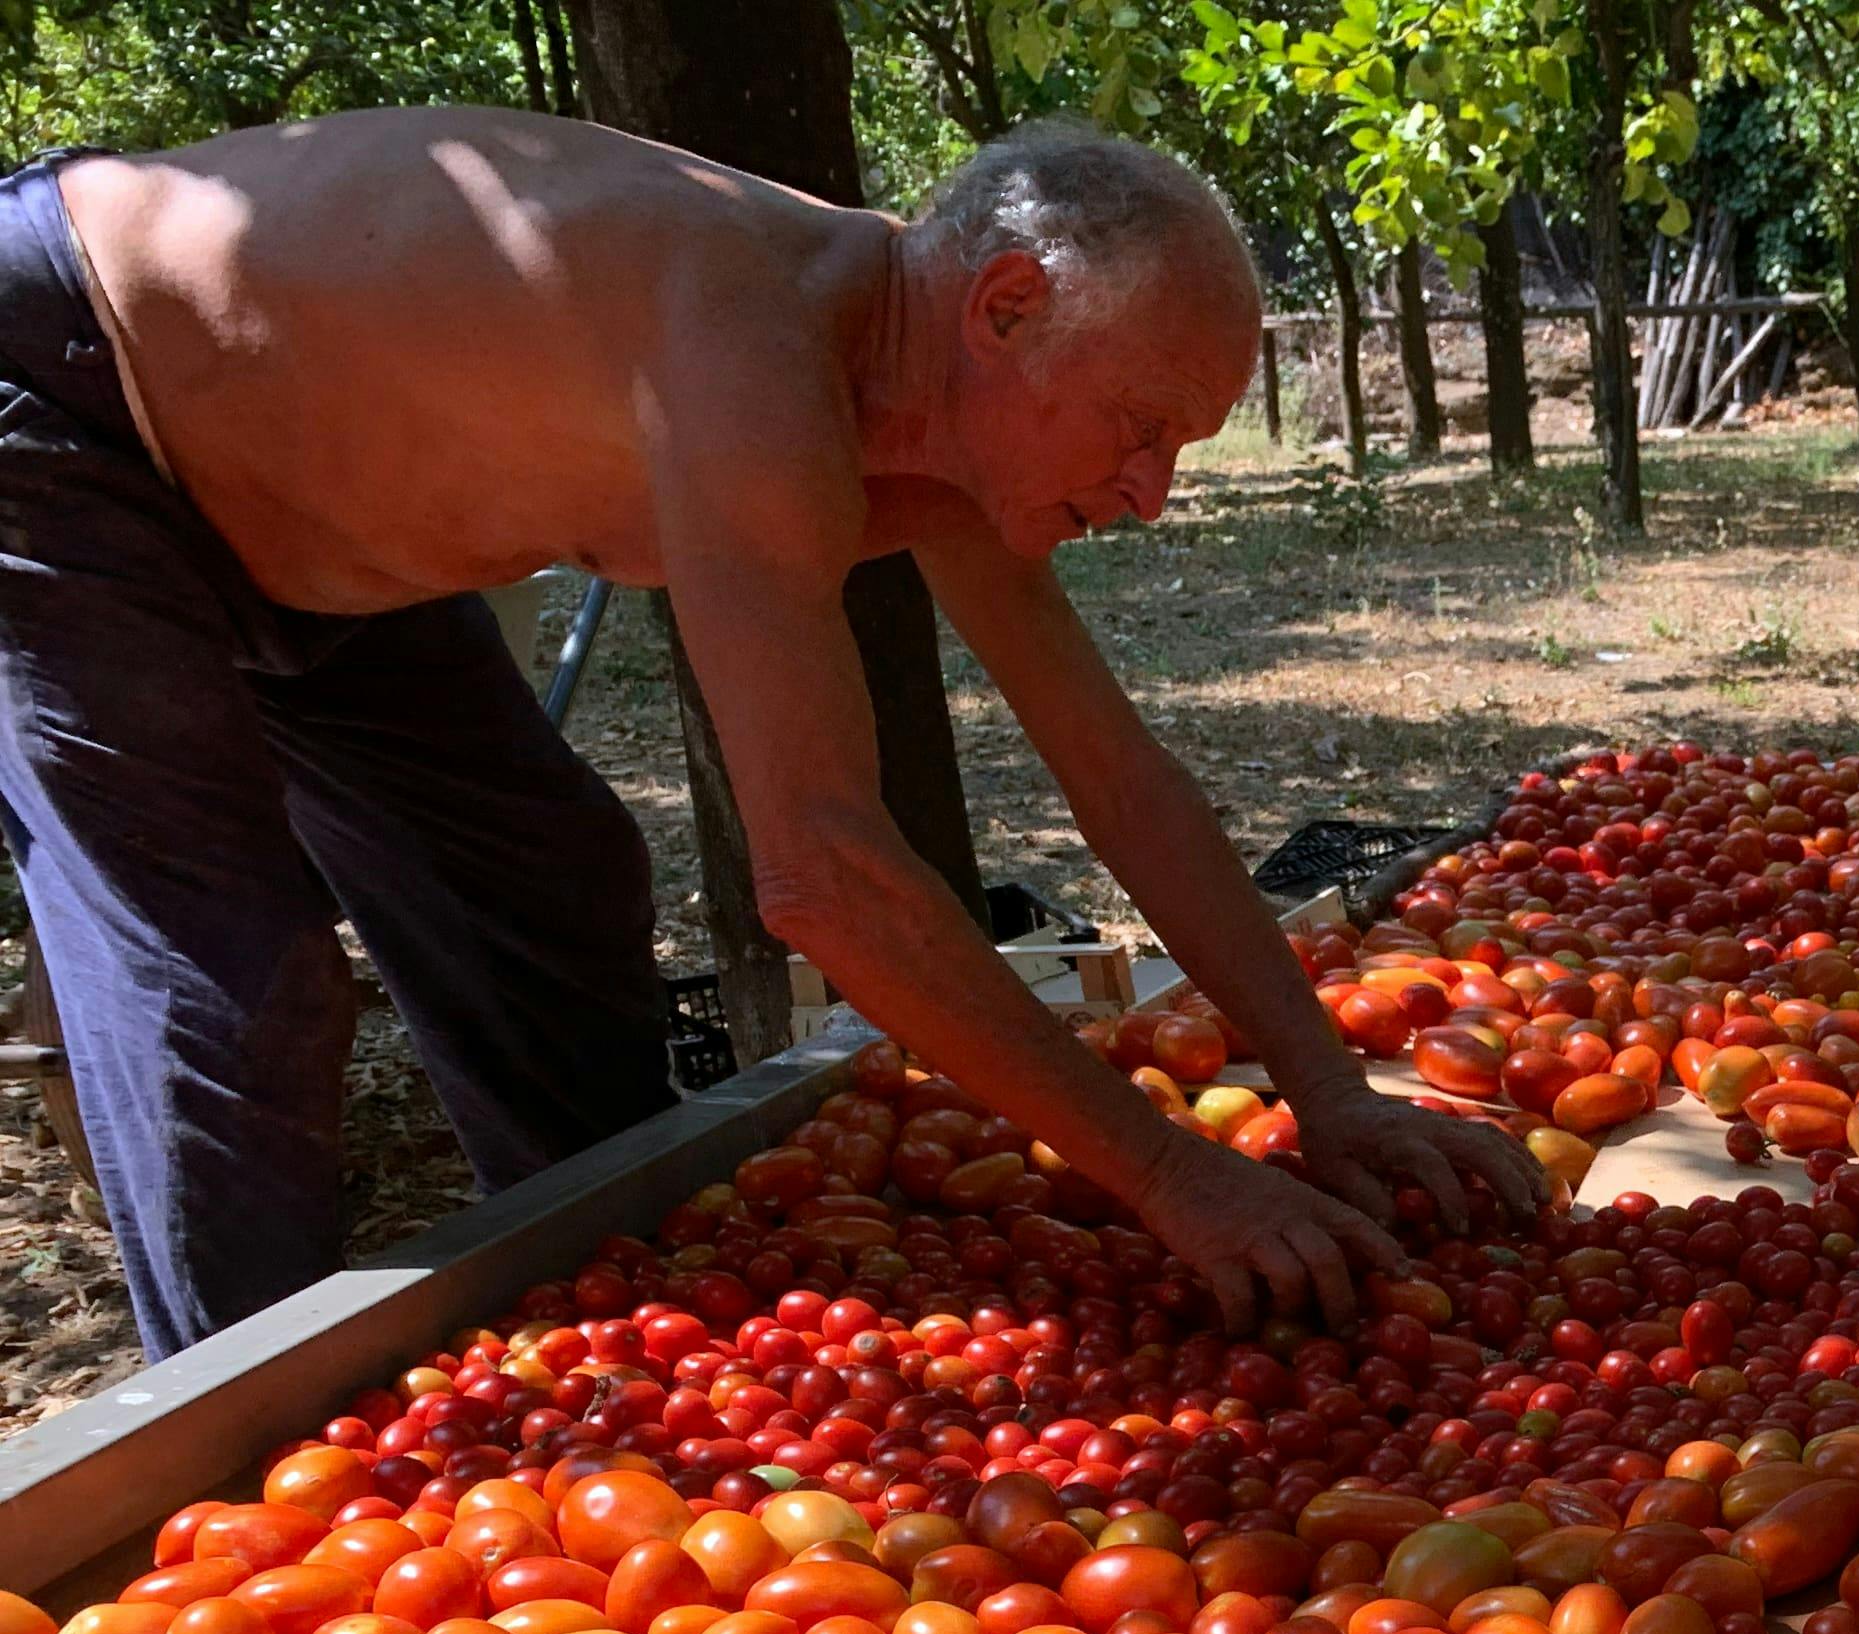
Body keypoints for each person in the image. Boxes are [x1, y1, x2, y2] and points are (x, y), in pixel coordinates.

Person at [0, 108, 1531, 1359]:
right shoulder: (755, 350)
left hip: (317, 530)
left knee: (547, 876)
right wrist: (1172, 1177)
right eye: (1142, 429)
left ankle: (622, 1328)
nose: (1151, 496)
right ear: (1005, 308)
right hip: (67, 399)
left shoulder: (937, 416)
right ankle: (236, 1468)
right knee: (224, 977)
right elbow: (822, 871)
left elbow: (1121, 779)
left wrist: (1330, 1096)